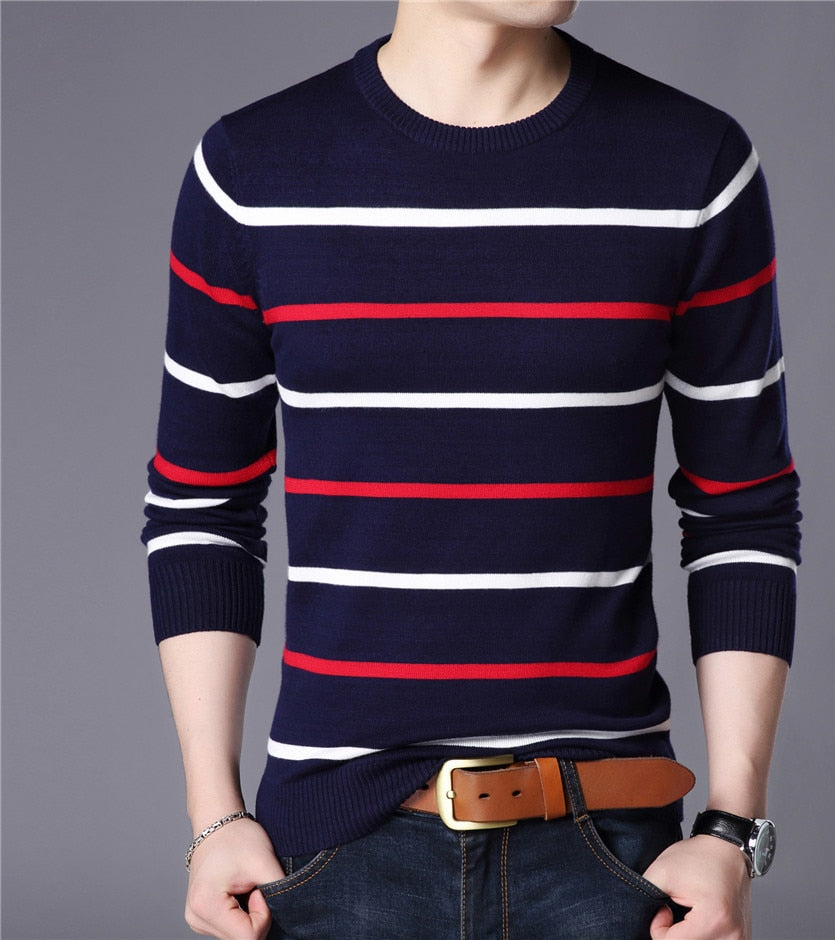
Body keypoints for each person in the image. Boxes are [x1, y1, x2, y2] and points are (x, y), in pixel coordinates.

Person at [143, 2, 801, 938]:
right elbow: (201, 507)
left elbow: (743, 512)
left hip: (610, 860)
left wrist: (732, 829)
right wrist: (214, 816)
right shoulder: (252, 173)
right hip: (333, 858)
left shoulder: (693, 166)